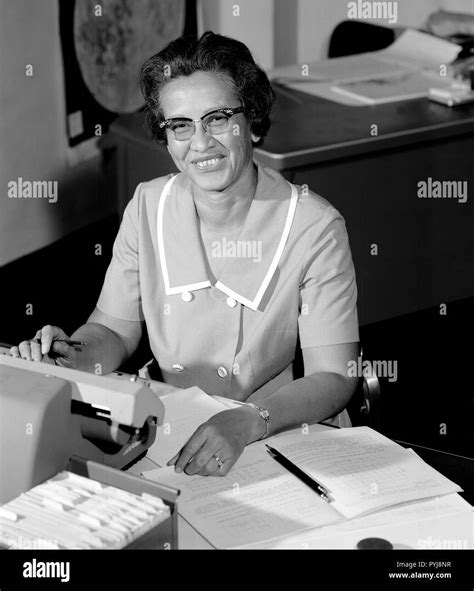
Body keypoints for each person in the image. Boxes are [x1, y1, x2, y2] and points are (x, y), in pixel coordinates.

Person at [10, 31, 360, 477]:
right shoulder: (148, 205)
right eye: (180, 125)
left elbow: (335, 376)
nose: (200, 143)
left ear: (251, 120)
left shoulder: (313, 226)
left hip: (279, 428)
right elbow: (114, 332)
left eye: (217, 119)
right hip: (171, 425)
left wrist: (250, 420)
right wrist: (68, 356)